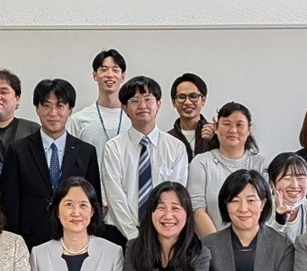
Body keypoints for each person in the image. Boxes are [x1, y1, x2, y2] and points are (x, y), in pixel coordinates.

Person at [0, 78, 101, 249]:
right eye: (46, 105)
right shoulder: (18, 150)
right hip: (29, 240)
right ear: (37, 109)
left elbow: (94, 202)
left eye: (60, 106)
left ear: (70, 110)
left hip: (74, 239)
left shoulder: (86, 152)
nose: (53, 112)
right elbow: (9, 203)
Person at [101, 76, 189, 243]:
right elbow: (114, 197)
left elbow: (176, 195)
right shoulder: (114, 147)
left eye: (148, 99)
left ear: (158, 104)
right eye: (135, 101)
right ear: (125, 108)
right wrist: (134, 237)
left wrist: (160, 232)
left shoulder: (176, 148)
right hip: (121, 234)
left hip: (164, 234)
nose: (142, 106)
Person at [187, 102, 267, 235]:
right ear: (216, 128)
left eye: (239, 125)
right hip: (210, 246)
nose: (233, 130)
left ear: (249, 129)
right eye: (227, 124)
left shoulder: (261, 164)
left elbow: (265, 211)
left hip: (254, 246)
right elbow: (197, 209)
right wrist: (218, 246)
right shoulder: (201, 162)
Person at [67, 49, 128, 162]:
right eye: (104, 70)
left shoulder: (133, 119)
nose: (110, 75)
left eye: (115, 70)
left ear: (123, 76)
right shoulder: (79, 120)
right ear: (95, 75)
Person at [264, 152, 307, 242]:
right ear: (271, 184)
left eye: (300, 178)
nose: (295, 185)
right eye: (287, 178)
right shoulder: (262, 210)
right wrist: (279, 222)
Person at [166, 73, 214, 161]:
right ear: (173, 102)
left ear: (203, 100)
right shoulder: (167, 139)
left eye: (193, 96)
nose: (187, 102)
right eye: (181, 97)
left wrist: (215, 141)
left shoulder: (216, 134)